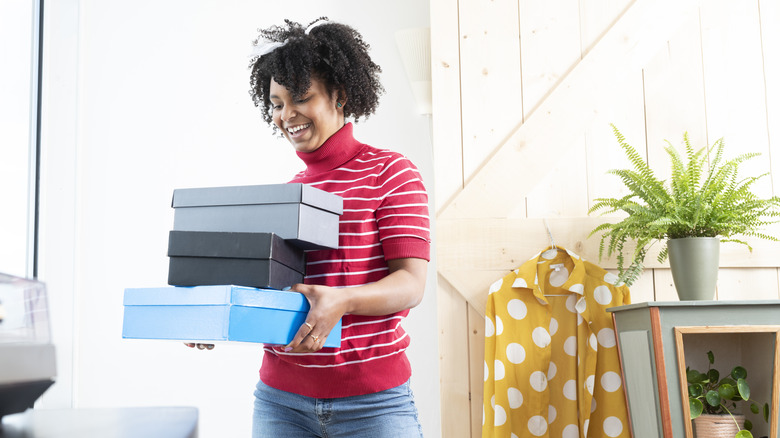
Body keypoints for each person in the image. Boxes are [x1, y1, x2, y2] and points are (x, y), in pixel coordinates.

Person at [246, 17, 430, 437]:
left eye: (301, 98)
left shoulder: (391, 172)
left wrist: (342, 300)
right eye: (276, 103)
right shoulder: (286, 192)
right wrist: (214, 314)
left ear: (340, 95)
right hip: (279, 404)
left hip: (374, 406)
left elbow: (411, 284)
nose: (287, 115)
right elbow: (271, 292)